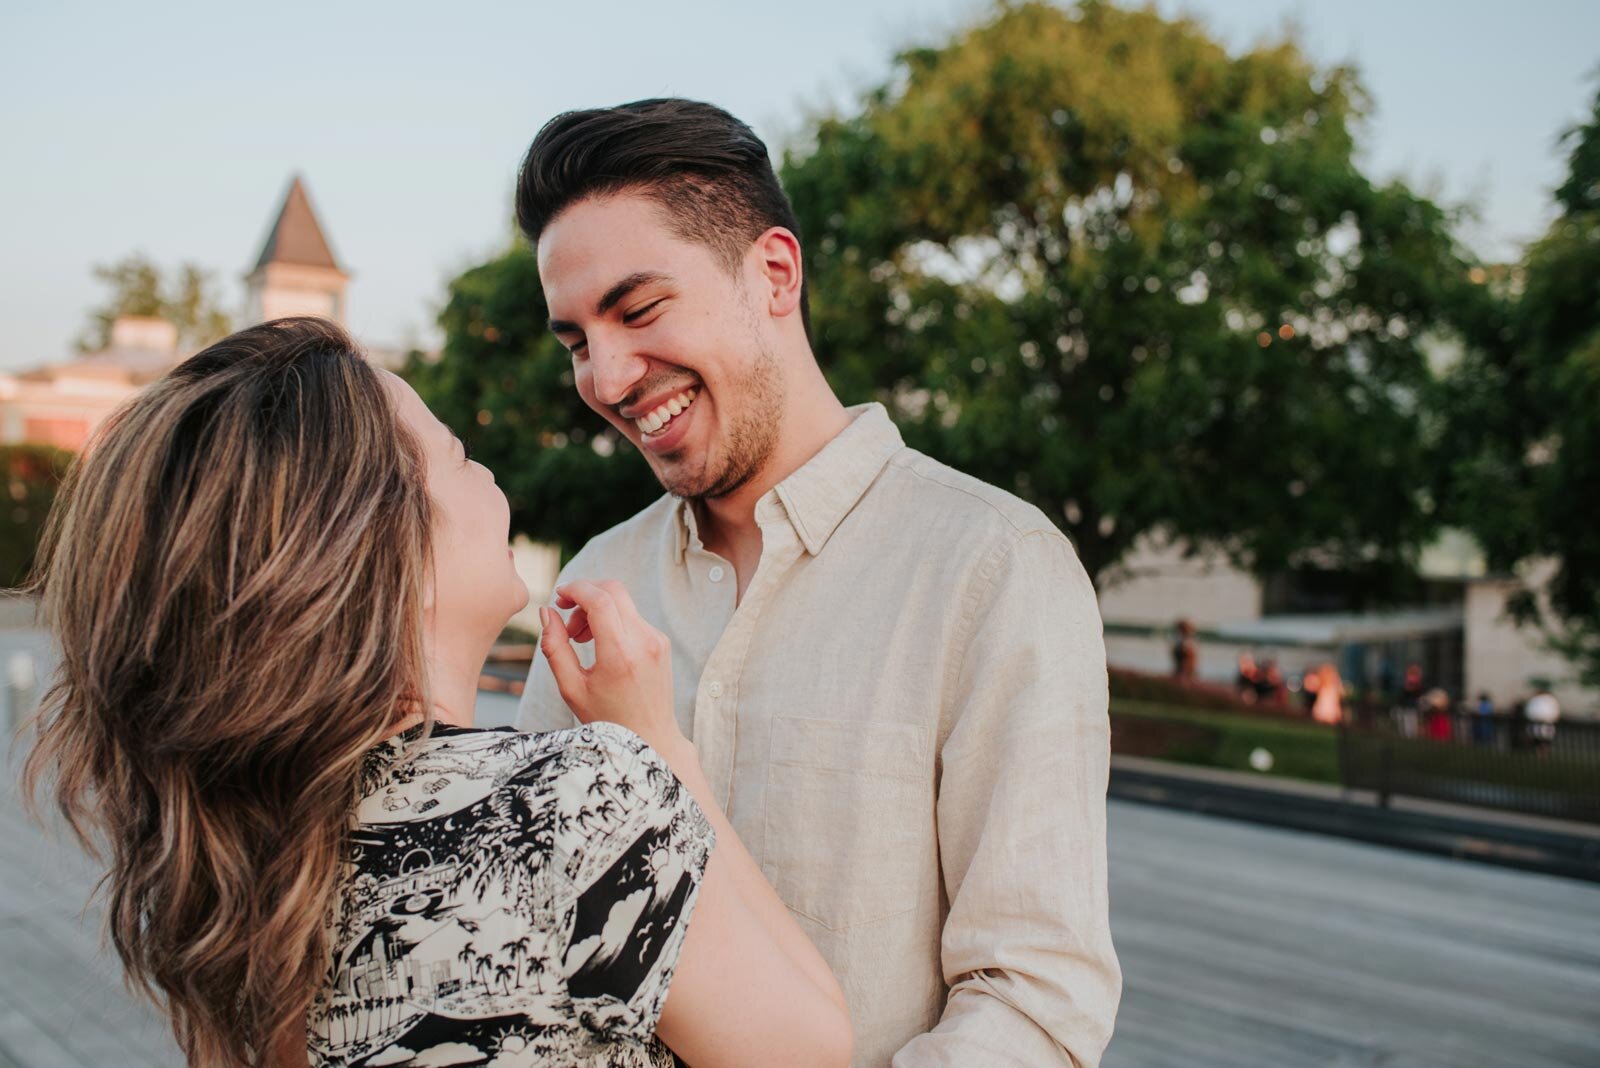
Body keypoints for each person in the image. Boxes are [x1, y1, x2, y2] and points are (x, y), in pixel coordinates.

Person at [20, 319, 850, 1068]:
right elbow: (815, 1050)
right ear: (388, 553)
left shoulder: (249, 863)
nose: (485, 473)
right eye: (455, 454)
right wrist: (660, 748)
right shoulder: (575, 798)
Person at [514, 99, 1121, 1066]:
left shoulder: (995, 567)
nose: (608, 376)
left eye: (639, 310)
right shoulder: (598, 580)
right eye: (577, 340)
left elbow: (1034, 1000)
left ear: (775, 275)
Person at [1525, 685, 1561, 753]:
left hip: (1537, 723)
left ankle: (1540, 750)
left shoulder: (1536, 699)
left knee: (1538, 736)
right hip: (1547, 724)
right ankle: (1543, 750)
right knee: (1544, 737)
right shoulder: (1551, 700)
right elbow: (1556, 713)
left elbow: (1529, 712)